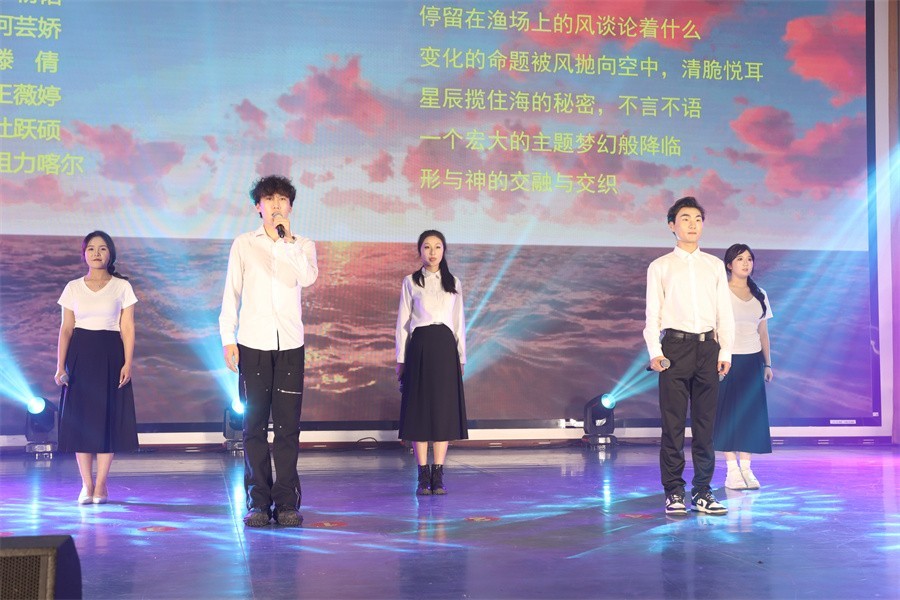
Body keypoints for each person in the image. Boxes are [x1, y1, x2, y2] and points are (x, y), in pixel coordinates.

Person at [219, 175, 318, 527]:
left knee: (288, 429)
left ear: (290, 207)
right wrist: (227, 338)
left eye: (282, 200)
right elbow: (232, 292)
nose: (276, 205)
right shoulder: (244, 244)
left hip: (290, 345)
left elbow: (307, 278)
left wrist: (286, 242)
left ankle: (287, 501)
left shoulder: (302, 245)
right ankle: (258, 501)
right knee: (254, 428)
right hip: (253, 344)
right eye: (269, 199)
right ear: (257, 207)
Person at [643, 196, 735, 516]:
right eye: (685, 218)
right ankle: (674, 492)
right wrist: (655, 352)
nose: (692, 224)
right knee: (673, 426)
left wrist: (725, 351)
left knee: (705, 426)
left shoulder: (714, 266)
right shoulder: (660, 266)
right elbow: (652, 314)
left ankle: (703, 491)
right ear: (672, 225)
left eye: (697, 219)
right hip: (675, 349)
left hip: (708, 348)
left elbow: (724, 313)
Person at [55, 231, 139, 505]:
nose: (96, 253)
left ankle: (101, 484)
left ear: (110, 254)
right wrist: (60, 366)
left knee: (106, 421)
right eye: (91, 248)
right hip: (80, 355)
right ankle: (86, 484)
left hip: (111, 354)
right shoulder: (73, 287)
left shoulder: (122, 287)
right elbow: (66, 329)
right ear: (84, 254)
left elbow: (127, 328)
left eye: (102, 248)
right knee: (81, 421)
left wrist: (127, 362)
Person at [395, 230, 467, 495]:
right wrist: (401, 359)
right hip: (420, 347)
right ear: (420, 251)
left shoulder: (453, 282)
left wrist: (461, 357)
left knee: (442, 411)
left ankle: (438, 474)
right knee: (419, 411)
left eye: (437, 247)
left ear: (444, 250)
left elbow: (458, 323)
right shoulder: (411, 282)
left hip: (445, 348)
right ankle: (422, 475)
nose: (432, 252)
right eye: (427, 247)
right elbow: (403, 323)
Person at [714, 244, 774, 490]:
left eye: (749, 259)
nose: (746, 263)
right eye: (740, 259)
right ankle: (731, 471)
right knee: (727, 414)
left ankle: (747, 469)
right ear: (729, 265)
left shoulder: (760, 294)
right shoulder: (720, 292)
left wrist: (767, 363)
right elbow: (714, 329)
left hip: (752, 360)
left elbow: (763, 332)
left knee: (750, 414)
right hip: (727, 359)